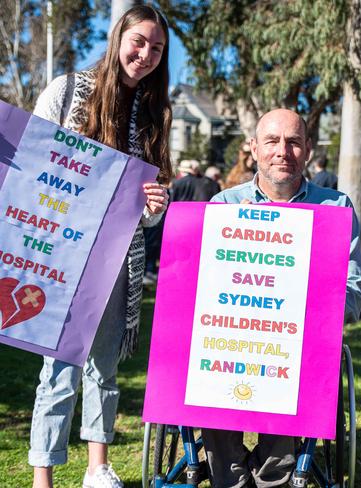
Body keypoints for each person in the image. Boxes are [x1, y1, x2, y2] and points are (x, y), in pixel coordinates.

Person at [29, 6, 171, 488]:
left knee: (103, 366)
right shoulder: (67, 91)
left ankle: (98, 467)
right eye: (139, 42)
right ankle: (42, 475)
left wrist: (156, 203)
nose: (145, 55)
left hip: (117, 257)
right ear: (118, 38)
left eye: (156, 49)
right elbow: (32, 160)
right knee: (60, 367)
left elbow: (150, 214)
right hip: (63, 251)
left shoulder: (154, 114)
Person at [204, 108, 361, 488]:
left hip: (301, 342)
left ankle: (272, 477)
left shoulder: (335, 208)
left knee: (294, 362)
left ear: (308, 149)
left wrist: (313, 319)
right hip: (233, 338)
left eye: (293, 142)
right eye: (273, 141)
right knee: (207, 369)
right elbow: (204, 283)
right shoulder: (225, 206)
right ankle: (229, 477)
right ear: (254, 148)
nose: (283, 151)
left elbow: (354, 286)